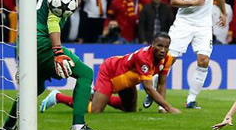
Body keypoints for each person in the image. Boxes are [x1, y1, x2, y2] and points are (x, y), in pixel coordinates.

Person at [0, 0, 102, 130]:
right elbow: (53, 22)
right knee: (86, 73)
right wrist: (58, 51)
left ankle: (9, 125)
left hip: (24, 41)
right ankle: (78, 125)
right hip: (41, 43)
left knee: (36, 86)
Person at [145, 0, 226, 110]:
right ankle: (151, 89)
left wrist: (223, 12)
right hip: (184, 22)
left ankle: (191, 100)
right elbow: (173, 0)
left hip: (204, 24)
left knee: (204, 60)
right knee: (168, 60)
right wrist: (192, 2)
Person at [40, 33, 180, 114]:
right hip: (110, 72)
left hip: (127, 82)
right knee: (95, 111)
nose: (163, 49)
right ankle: (58, 97)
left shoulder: (167, 59)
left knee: (130, 111)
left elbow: (161, 83)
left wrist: (162, 108)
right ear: (152, 44)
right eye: (159, 46)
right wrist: (170, 108)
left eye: (166, 47)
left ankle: (97, 96)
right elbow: (149, 87)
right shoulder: (145, 58)